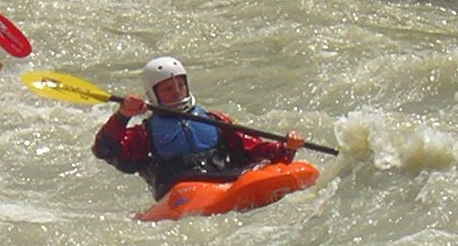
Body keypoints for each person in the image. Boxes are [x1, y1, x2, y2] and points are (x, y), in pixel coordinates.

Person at [93, 56, 305, 200]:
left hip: (224, 182)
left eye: (181, 84)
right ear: (154, 94)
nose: (177, 92)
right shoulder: (145, 134)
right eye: (168, 88)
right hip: (180, 194)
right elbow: (105, 150)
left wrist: (287, 148)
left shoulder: (214, 120)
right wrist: (122, 116)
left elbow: (253, 150)